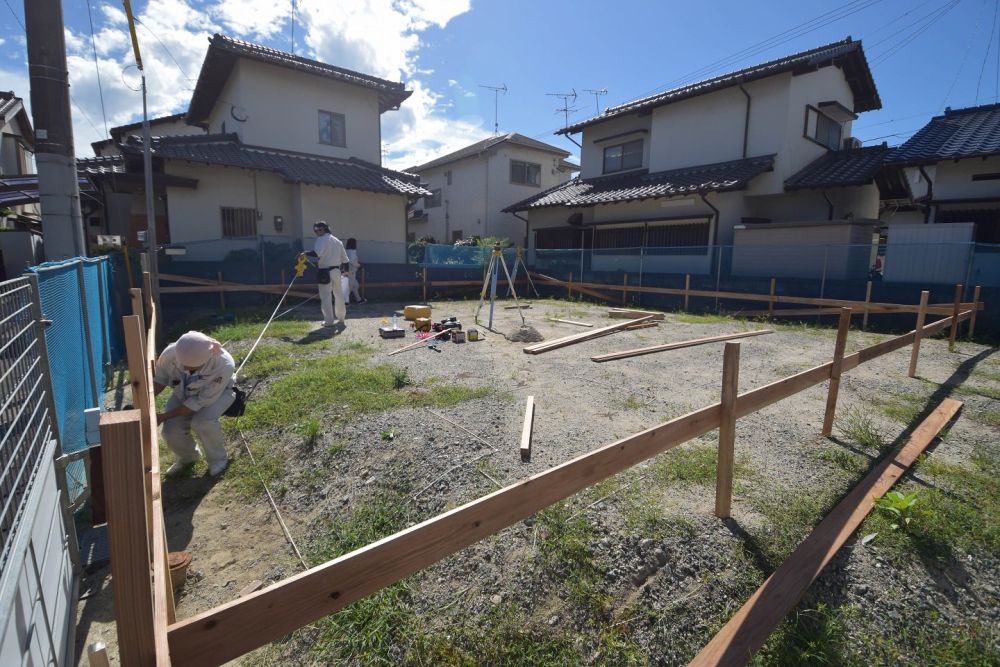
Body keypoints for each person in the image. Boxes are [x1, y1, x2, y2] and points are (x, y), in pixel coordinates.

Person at [153, 331, 236, 477]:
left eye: (191, 368)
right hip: (183, 392)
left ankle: (218, 459)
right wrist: (144, 401)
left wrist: (163, 416)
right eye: (182, 365)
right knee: (171, 430)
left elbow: (198, 403)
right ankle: (188, 457)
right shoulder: (170, 353)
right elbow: (160, 379)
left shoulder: (224, 365)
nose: (185, 369)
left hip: (218, 394)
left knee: (202, 422)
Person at [299, 221, 350, 329]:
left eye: (317, 230)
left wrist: (305, 253)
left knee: (326, 296)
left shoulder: (321, 239)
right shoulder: (338, 241)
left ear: (323, 229)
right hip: (337, 271)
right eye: (315, 230)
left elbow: (317, 253)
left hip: (324, 271)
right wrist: (346, 272)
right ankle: (341, 318)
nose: (316, 232)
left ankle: (328, 321)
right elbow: (345, 260)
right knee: (339, 295)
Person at [345, 237, 365, 304]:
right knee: (350, 286)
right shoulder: (352, 251)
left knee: (355, 286)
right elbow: (352, 261)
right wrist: (359, 265)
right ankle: (345, 301)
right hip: (351, 271)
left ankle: (359, 300)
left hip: (349, 271)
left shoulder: (347, 251)